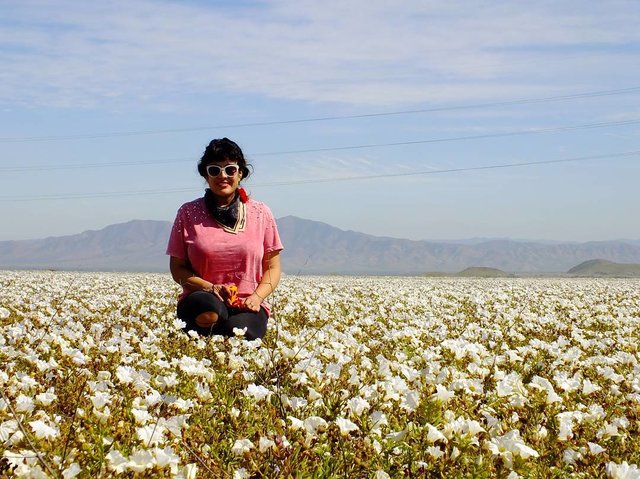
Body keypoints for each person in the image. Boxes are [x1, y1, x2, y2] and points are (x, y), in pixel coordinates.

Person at [166, 138, 283, 340]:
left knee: (239, 333)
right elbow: (177, 268)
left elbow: (272, 267)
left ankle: (216, 347)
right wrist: (211, 288)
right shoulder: (187, 213)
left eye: (230, 169)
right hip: (202, 299)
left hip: (248, 303)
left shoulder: (261, 213)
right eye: (214, 170)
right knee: (208, 311)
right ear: (205, 174)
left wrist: (257, 297)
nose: (223, 176)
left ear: (241, 174)